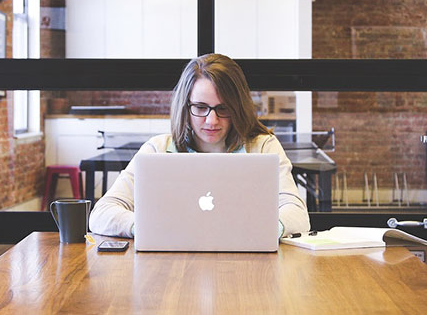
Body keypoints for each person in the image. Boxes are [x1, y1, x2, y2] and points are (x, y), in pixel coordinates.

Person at [88, 53, 310, 238]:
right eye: (201, 107)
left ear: (238, 107)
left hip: (246, 266)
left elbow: (298, 215)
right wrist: (147, 228)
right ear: (185, 106)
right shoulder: (157, 150)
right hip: (171, 266)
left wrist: (258, 232)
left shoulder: (263, 147)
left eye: (223, 109)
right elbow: (101, 214)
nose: (212, 120)